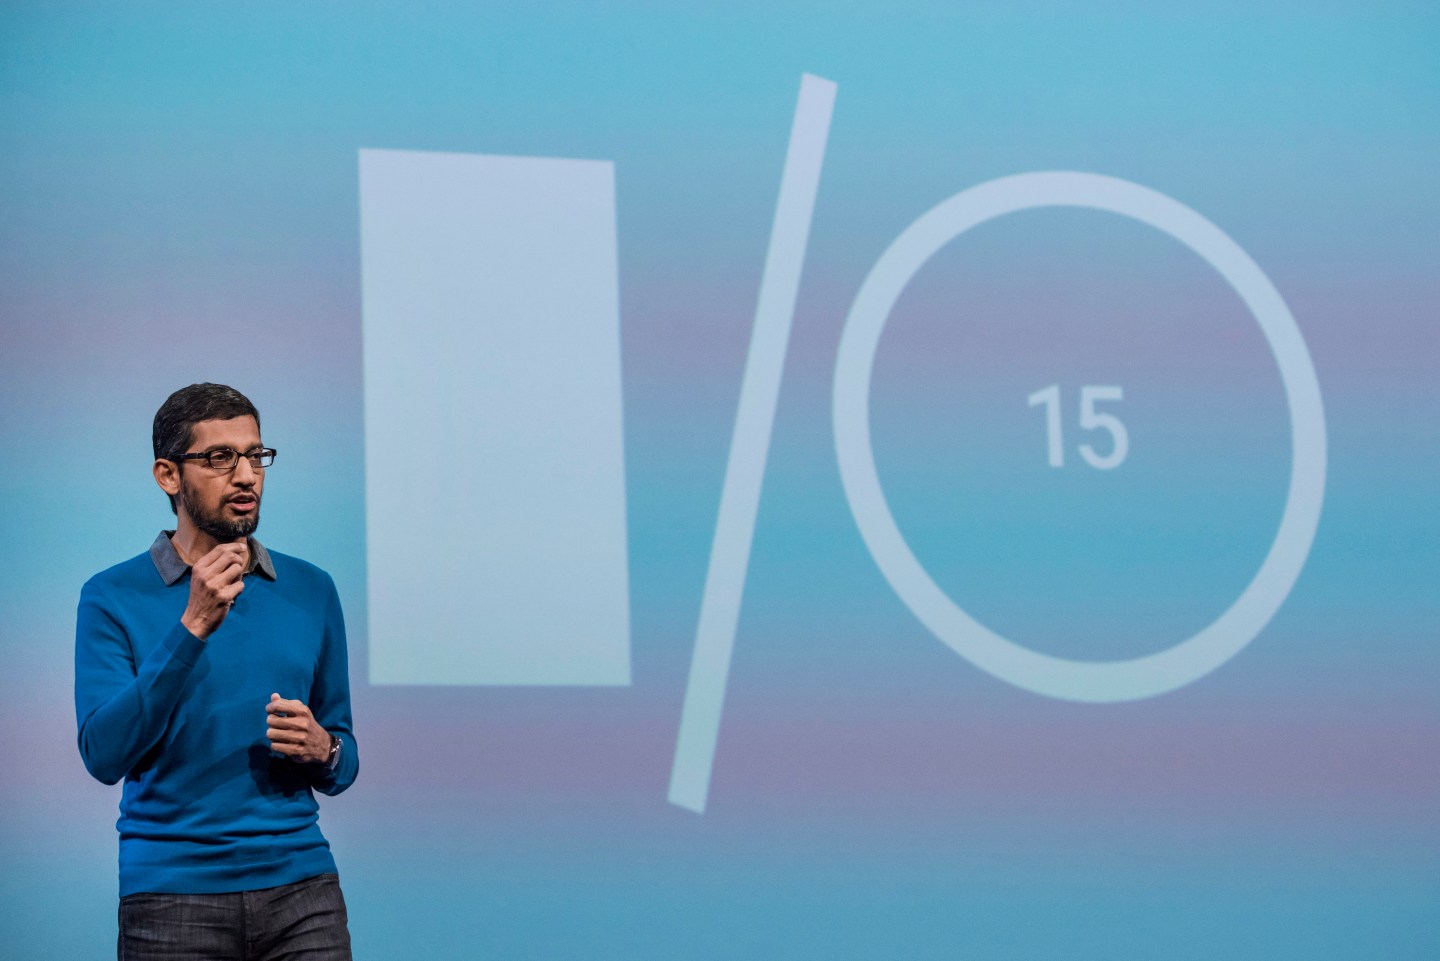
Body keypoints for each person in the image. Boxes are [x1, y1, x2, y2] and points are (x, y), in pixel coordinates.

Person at [75, 383, 359, 960]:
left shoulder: (311, 590)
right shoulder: (111, 596)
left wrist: (323, 747)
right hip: (171, 898)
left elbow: (344, 761)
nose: (246, 475)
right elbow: (103, 756)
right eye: (220, 458)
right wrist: (192, 627)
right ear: (167, 475)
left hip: (303, 889)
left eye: (255, 455)